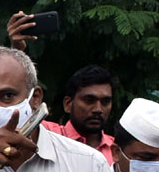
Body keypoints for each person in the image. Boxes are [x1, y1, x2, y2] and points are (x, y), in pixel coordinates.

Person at [7, 13, 115, 163]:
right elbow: (16, 110)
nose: (98, 109)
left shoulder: (117, 151)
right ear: (67, 104)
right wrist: (18, 51)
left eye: (105, 101)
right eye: (89, 100)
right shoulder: (45, 135)